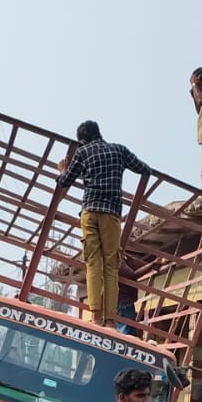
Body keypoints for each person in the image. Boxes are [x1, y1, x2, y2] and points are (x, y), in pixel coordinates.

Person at [57, 121, 150, 328]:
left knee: (93, 264)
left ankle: (96, 318)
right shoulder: (119, 150)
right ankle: (110, 321)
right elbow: (145, 169)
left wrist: (63, 169)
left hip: (89, 211)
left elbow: (64, 182)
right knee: (111, 266)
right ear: (99, 133)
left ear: (82, 140)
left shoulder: (83, 153)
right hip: (111, 214)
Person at [115, 261, 141, 337]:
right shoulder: (117, 262)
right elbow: (133, 275)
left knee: (130, 332)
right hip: (124, 304)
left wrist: (153, 264)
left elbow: (135, 262)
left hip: (125, 304)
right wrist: (153, 264)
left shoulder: (124, 258)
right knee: (126, 332)